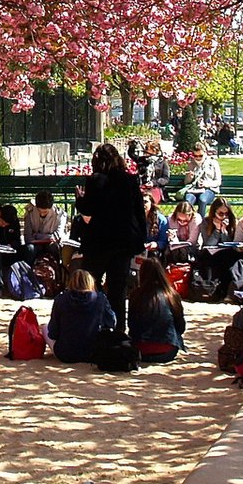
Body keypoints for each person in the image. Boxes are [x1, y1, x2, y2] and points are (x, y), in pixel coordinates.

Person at [75, 142, 147, 333]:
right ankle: (119, 329)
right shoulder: (130, 180)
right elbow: (139, 211)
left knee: (90, 283)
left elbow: (87, 209)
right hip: (123, 240)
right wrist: (141, 236)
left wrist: (79, 199)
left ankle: (91, 324)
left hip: (100, 240)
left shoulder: (95, 180)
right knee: (118, 288)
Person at [47, 268, 115, 363]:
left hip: (66, 353)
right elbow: (111, 322)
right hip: (93, 352)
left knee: (44, 327)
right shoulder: (100, 299)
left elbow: (53, 332)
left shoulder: (61, 299)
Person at [127, 256, 186, 363]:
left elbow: (131, 324)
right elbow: (181, 326)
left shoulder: (135, 295)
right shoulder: (171, 295)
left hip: (140, 349)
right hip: (167, 350)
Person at [182, 145, 223, 213]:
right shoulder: (191, 164)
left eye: (200, 155)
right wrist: (190, 178)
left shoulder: (213, 163)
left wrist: (206, 184)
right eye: (195, 156)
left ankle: (200, 221)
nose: (198, 158)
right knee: (188, 201)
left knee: (202, 200)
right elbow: (186, 183)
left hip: (209, 189)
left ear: (205, 153)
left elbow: (218, 181)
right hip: (193, 190)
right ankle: (188, 220)